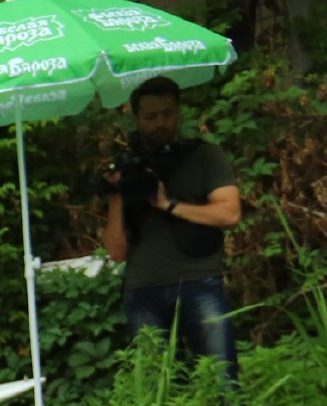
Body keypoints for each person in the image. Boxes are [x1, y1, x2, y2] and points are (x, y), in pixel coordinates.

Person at [102, 77, 243, 381]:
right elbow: (116, 252)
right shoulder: (129, 167)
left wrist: (169, 204)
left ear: (178, 114)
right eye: (151, 117)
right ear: (137, 119)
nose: (160, 124)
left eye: (167, 114)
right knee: (157, 391)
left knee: (221, 383)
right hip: (143, 289)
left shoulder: (204, 157)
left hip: (199, 281)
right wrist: (117, 194)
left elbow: (230, 213)